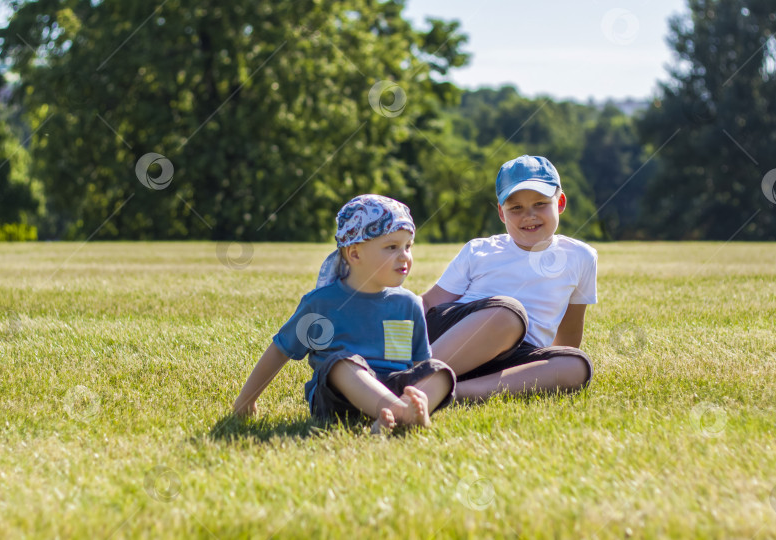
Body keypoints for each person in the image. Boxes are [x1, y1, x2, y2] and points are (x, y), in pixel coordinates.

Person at [233, 194, 455, 431]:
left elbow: (420, 363)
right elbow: (280, 351)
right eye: (392, 247)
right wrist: (246, 399)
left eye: (407, 246)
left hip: (392, 386)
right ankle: (401, 413)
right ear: (355, 253)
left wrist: (420, 389)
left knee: (440, 371)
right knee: (341, 363)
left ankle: (403, 410)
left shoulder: (408, 304)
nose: (404, 256)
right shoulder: (321, 304)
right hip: (338, 398)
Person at [421, 155, 597, 401]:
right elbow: (429, 303)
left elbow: (570, 326)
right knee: (509, 314)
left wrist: (553, 361)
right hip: (456, 338)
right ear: (502, 213)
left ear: (560, 203)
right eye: (516, 208)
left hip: (512, 356)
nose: (529, 215)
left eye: (540, 204)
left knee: (577, 365)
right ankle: (414, 377)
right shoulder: (480, 250)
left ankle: (453, 392)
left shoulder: (581, 257)